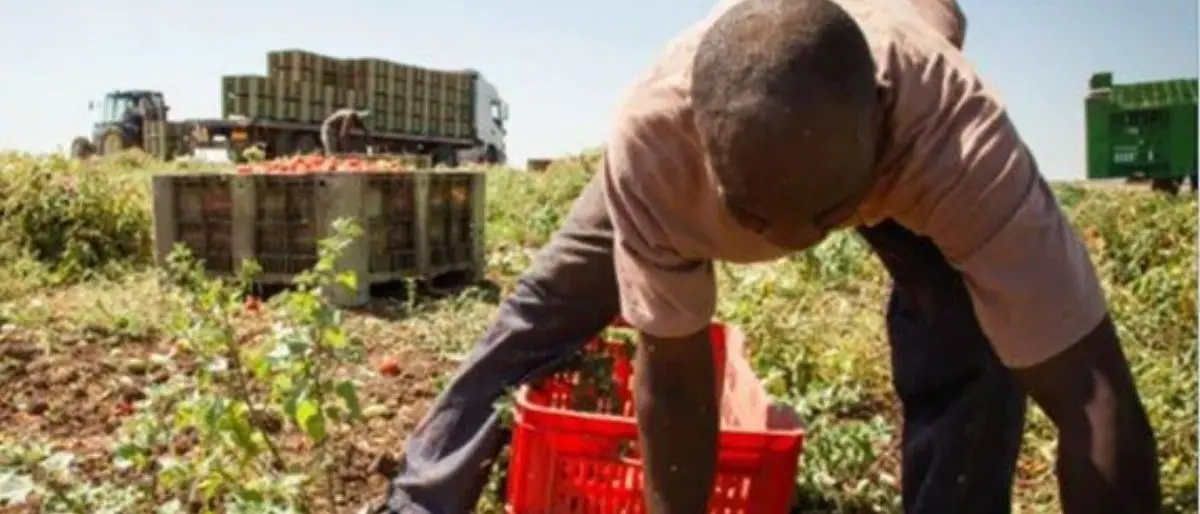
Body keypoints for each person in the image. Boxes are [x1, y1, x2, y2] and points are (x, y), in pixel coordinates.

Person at [374, 0, 1163, 512]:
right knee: (549, 304)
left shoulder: (956, 140)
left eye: (825, 217)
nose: (791, 243)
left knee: (974, 353)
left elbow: (1093, 393)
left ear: (880, 119)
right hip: (763, 134)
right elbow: (675, 374)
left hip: (900, 149)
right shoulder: (657, 140)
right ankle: (423, 494)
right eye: (754, 217)